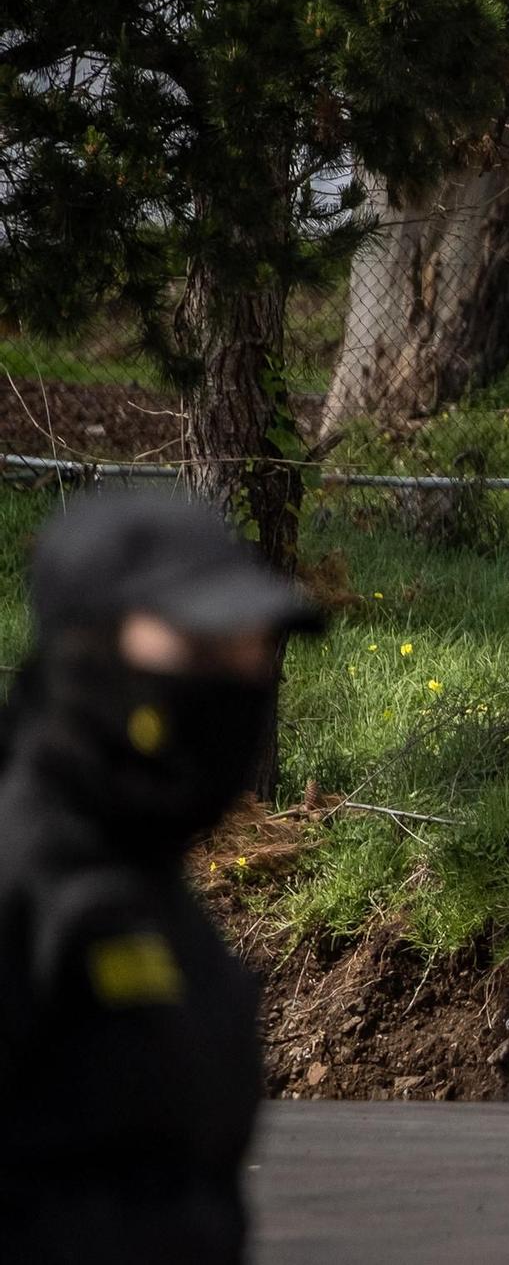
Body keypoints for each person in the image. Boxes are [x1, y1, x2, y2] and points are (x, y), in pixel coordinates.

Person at [0, 491, 322, 1263]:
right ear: (91, 652)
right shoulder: (23, 879)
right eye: (203, 653)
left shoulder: (150, 886)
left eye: (252, 657)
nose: (236, 690)